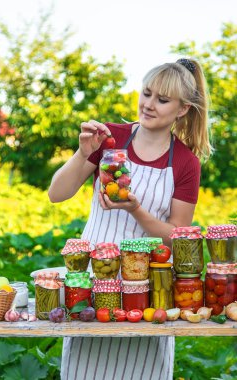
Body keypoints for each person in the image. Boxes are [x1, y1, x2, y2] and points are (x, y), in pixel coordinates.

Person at [48, 58, 212, 380]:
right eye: (147, 93)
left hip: (146, 295)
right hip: (91, 284)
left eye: (162, 100)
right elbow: (57, 193)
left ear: (181, 109)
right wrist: (83, 154)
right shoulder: (110, 138)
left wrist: (135, 209)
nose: (149, 105)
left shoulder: (184, 162)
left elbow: (176, 237)